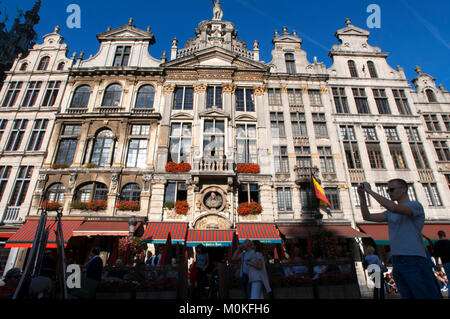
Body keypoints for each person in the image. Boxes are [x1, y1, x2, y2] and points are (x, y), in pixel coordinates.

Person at [357, 179, 442, 299]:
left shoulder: (414, 205)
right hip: (397, 259)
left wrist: (370, 191)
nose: (389, 193)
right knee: (407, 294)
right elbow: (367, 216)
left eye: (391, 189)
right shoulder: (390, 212)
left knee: (424, 294)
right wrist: (362, 197)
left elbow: (393, 207)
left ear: (403, 190)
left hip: (413, 257)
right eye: (388, 190)